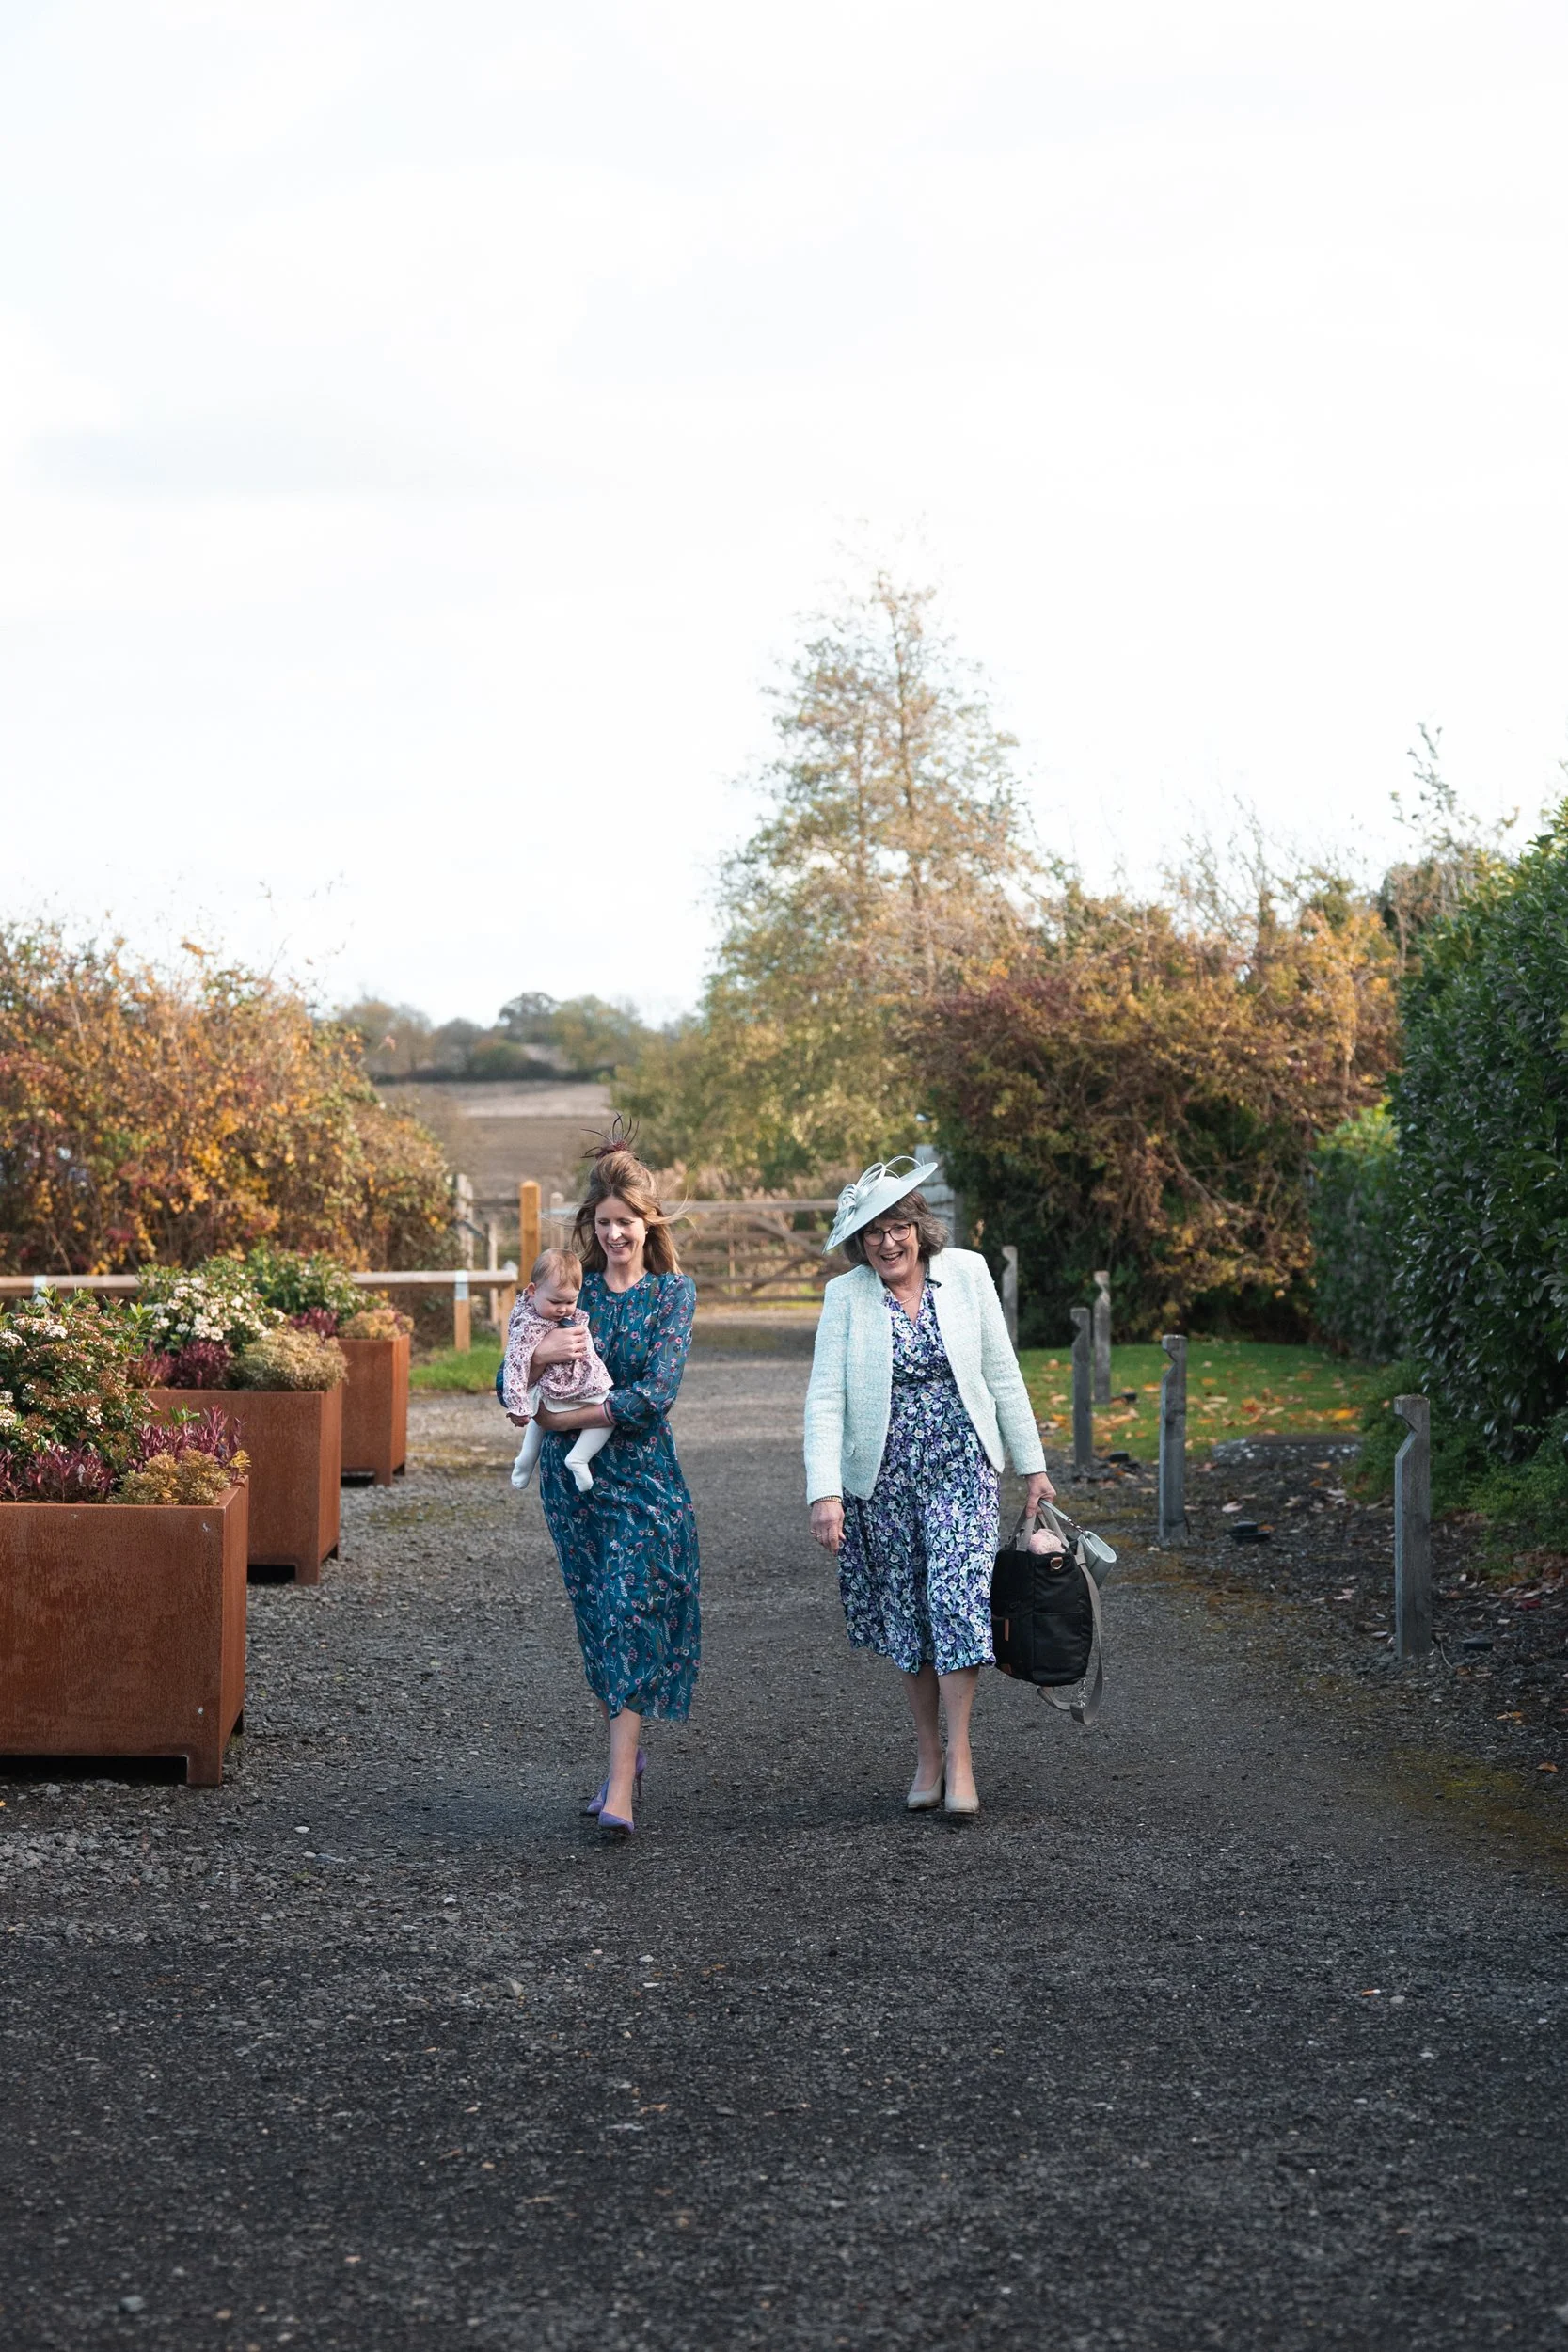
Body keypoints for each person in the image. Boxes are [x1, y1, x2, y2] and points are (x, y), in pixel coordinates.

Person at [803, 1156, 1054, 1818]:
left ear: (919, 1226)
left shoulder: (966, 1273)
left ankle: (962, 1755)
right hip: (882, 1478)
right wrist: (824, 1493)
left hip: (961, 1466)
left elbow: (1002, 1372)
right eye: (873, 1232)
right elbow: (825, 1399)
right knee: (907, 1613)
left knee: (957, 1600)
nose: (888, 1242)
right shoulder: (845, 1298)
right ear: (859, 1243)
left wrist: (1032, 1467)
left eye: (898, 1227)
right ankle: (928, 1754)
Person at [505, 1136, 699, 1836]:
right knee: (596, 1617)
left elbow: (655, 1394)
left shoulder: (672, 1294)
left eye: (626, 1222)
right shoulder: (569, 1288)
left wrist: (564, 1418)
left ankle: (619, 1786)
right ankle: (626, 1754)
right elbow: (510, 1371)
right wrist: (538, 1360)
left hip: (644, 1479)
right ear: (591, 1223)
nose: (614, 1234)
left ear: (649, 1223)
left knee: (626, 1610)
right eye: (604, 1222)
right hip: (574, 1487)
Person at [500, 1248, 613, 1493]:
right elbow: (514, 1364)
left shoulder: (547, 1315)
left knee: (542, 1415)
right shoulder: (529, 1324)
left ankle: (526, 1459)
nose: (563, 1309)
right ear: (533, 1291)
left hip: (557, 1387)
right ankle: (577, 1458)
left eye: (570, 1302)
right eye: (555, 1302)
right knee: (606, 1408)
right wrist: (517, 1405)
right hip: (555, 1387)